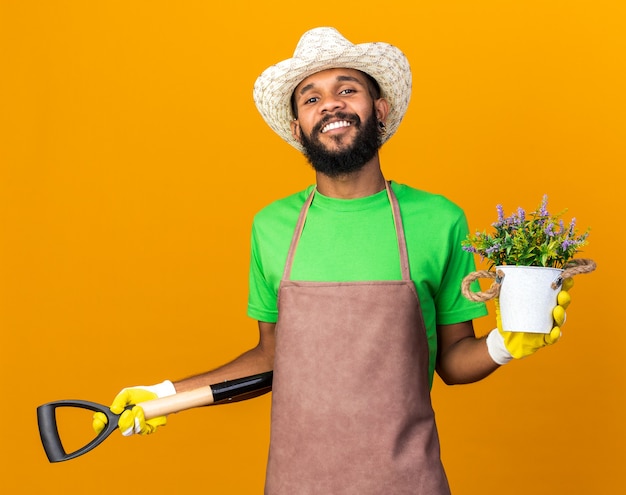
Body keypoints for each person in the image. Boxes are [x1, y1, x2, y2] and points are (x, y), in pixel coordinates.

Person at [93, 27, 570, 494]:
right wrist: (164, 396)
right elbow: (273, 357)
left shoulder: (438, 220)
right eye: (312, 98)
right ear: (299, 126)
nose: (332, 105)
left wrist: (505, 345)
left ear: (378, 109)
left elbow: (451, 361)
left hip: (407, 482)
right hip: (297, 482)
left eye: (347, 89)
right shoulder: (272, 226)